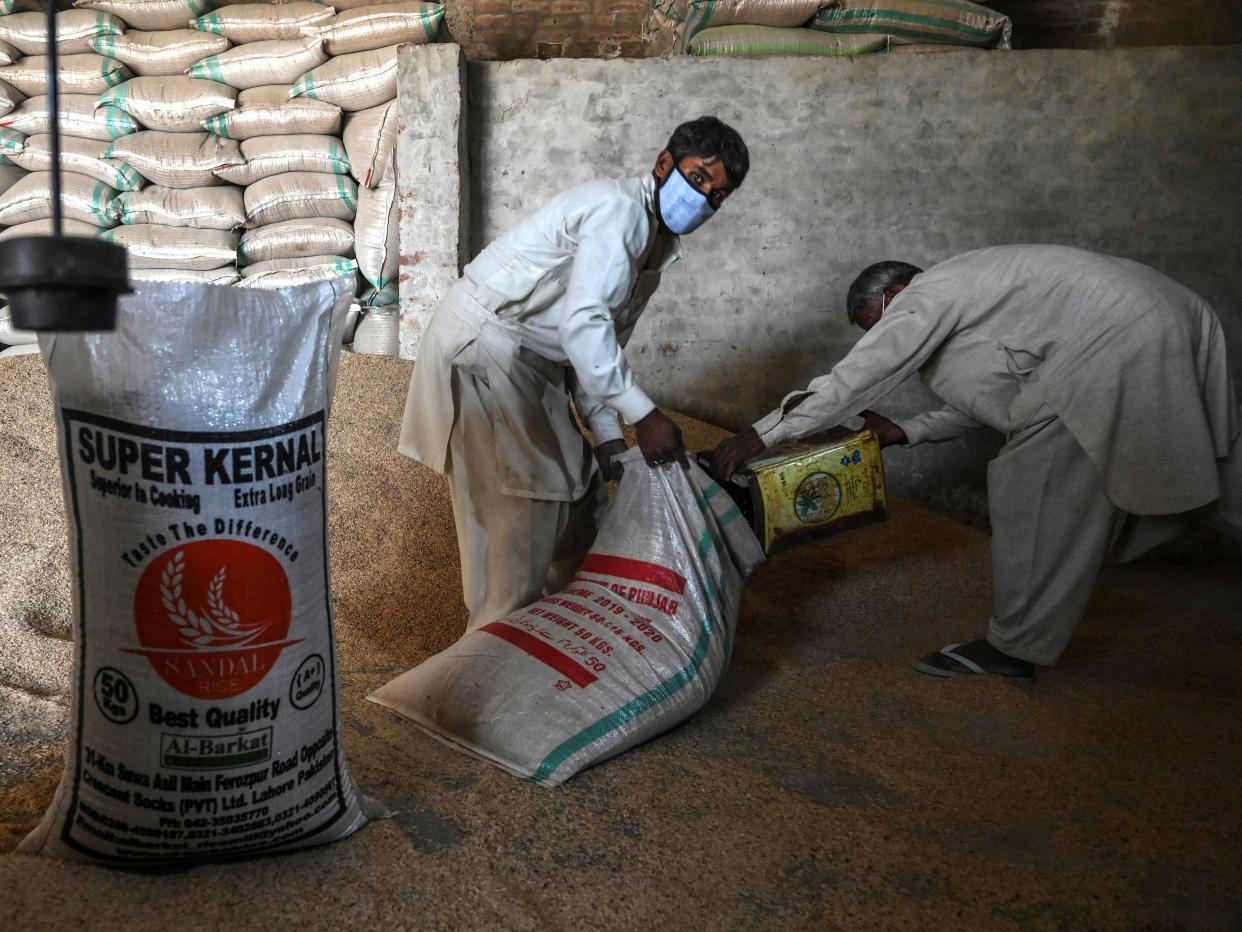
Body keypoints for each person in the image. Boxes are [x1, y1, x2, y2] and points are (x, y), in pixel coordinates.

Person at [710, 245, 1241, 680]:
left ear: (893, 294)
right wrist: (906, 430)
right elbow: (1016, 406)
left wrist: (761, 435)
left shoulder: (926, 294)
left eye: (872, 324)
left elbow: (861, 374)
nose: (876, 337)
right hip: (1174, 312)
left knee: (1031, 491)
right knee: (1212, 465)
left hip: (1119, 334)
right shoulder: (983, 303)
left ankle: (1015, 648)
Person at [400, 116, 749, 630]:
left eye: (717, 196)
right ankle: (491, 650)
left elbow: (596, 346)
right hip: (488, 349)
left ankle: (565, 638)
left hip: (533, 363)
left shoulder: (655, 245)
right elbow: (584, 328)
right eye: (698, 179)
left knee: (582, 496)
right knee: (520, 514)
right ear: (664, 164)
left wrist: (610, 438)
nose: (704, 200)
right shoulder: (621, 213)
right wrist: (645, 416)